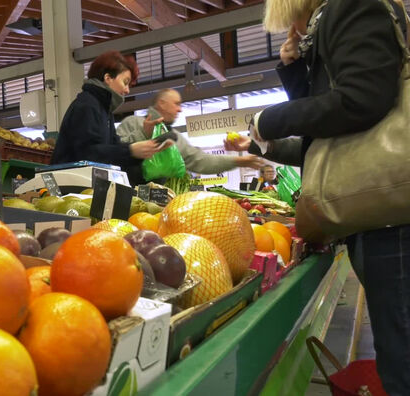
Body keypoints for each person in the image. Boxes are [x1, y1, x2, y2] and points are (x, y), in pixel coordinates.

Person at [224, 0, 408, 393]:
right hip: (381, 219)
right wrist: (294, 68)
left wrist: (268, 120)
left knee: (403, 362)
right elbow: (328, 136)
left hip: (394, 223)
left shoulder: (356, 6)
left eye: (297, 21)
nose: (296, 29)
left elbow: (361, 99)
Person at [50, 51, 162, 186]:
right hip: (69, 185)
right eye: (125, 82)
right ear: (108, 78)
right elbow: (87, 153)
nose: (127, 90)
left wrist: (138, 151)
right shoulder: (87, 105)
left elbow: (112, 147)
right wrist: (131, 151)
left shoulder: (104, 109)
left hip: (86, 184)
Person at [116, 88, 264, 179]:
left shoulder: (176, 138)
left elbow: (201, 161)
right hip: (130, 200)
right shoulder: (133, 123)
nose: (180, 109)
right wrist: (143, 133)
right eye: (177, 103)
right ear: (161, 103)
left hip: (163, 204)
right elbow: (114, 152)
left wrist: (238, 161)